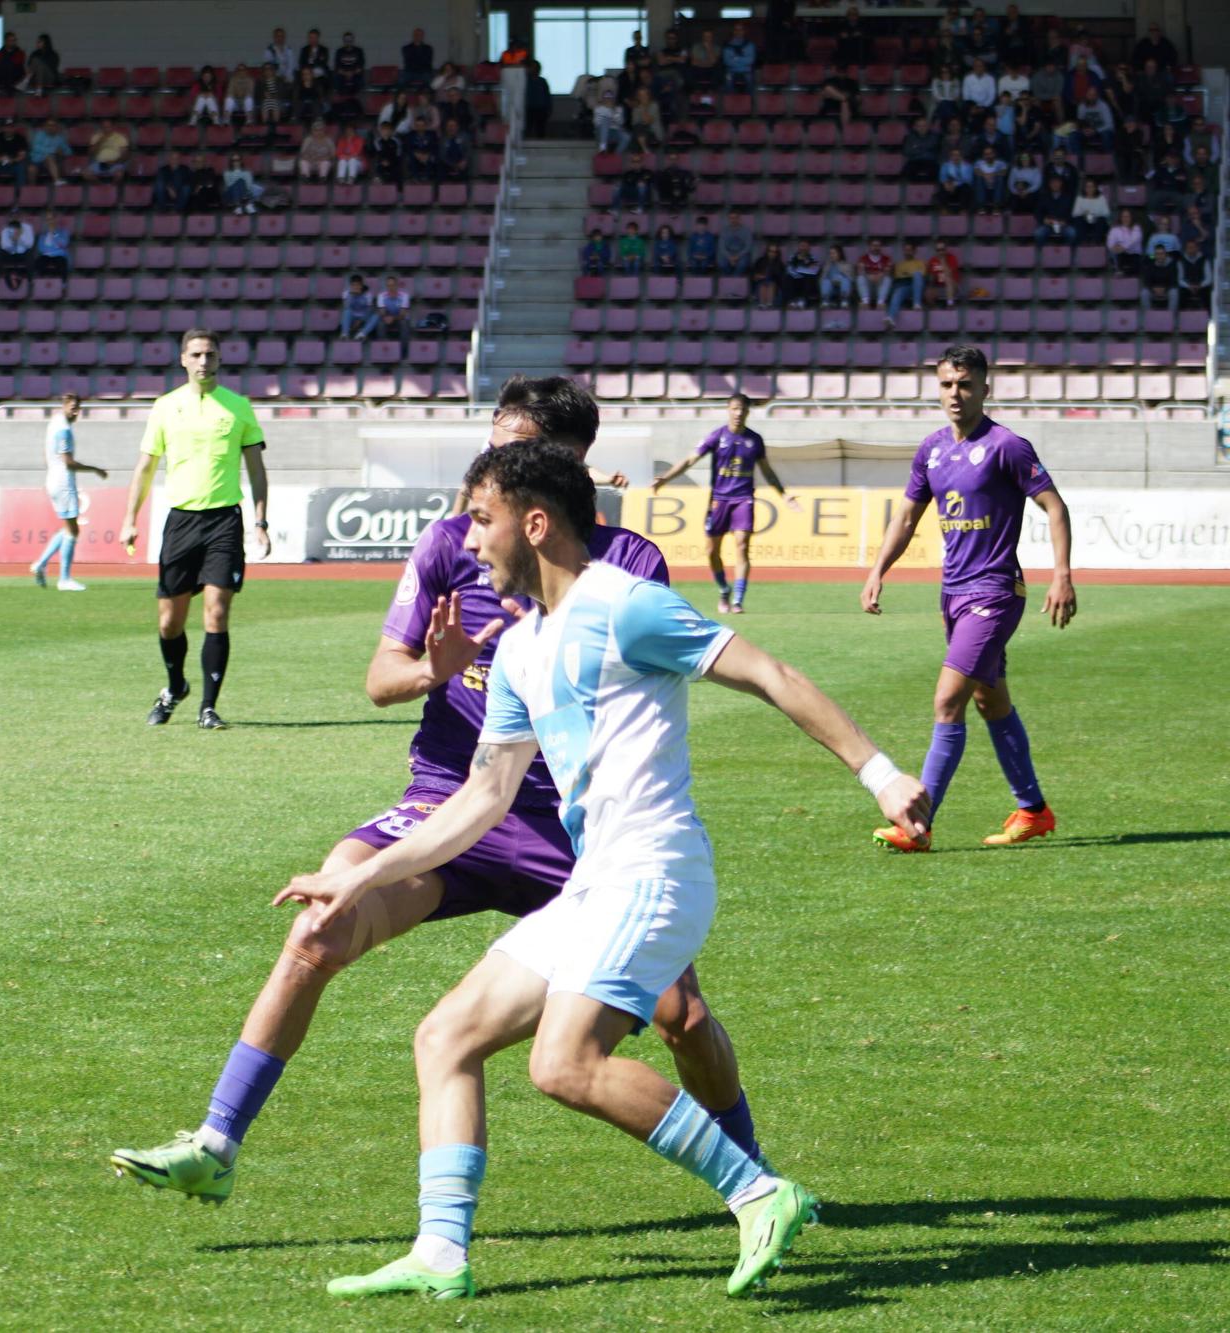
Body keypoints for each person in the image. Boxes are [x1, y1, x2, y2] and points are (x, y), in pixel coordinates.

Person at [289, 438, 928, 1302]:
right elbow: (478, 801)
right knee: (445, 1037)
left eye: (483, 521)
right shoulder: (516, 649)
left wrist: (882, 775)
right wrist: (357, 878)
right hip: (596, 883)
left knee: (563, 1063)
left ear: (537, 522)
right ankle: (441, 1253)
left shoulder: (627, 606)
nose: (468, 542)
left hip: (657, 869)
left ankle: (759, 1191)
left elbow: (769, 672)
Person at [111, 379, 765, 1216]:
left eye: (514, 445)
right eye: (490, 442)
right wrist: (437, 668)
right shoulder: (452, 542)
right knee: (318, 928)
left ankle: (755, 1172)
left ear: (567, 463)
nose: (488, 465)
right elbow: (382, 678)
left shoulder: (628, 563)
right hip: (451, 808)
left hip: (583, 835)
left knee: (682, 1014)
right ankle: (217, 1142)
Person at [861, 346, 1073, 854]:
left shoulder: (1007, 447)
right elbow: (908, 518)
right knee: (988, 699)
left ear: (984, 387)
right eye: (947, 385)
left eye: (965, 384)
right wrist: (877, 570)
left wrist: (1061, 575)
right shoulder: (931, 449)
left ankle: (918, 824)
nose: (955, 394)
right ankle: (1034, 811)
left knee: (947, 700)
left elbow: (1055, 506)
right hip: (953, 593)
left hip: (995, 593)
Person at [118, 330, 270, 730]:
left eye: (211, 354)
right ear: (183, 359)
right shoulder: (166, 407)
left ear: (220, 360)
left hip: (224, 521)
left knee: (216, 614)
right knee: (169, 622)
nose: (204, 361)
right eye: (197, 354)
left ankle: (208, 707)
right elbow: (146, 466)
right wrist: (130, 518)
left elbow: (256, 469)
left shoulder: (238, 407)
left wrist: (261, 520)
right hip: (181, 521)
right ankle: (175, 687)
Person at [29, 394, 107, 591]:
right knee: (73, 530)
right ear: (64, 406)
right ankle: (64, 579)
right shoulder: (63, 430)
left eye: (78, 408)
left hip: (53, 479)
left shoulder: (55, 422)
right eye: (72, 407)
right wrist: (95, 470)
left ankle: (41, 564)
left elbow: (48, 455)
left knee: (67, 529)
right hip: (63, 482)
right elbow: (68, 462)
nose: (76, 411)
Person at [0, 117, 31, 187]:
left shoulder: (20, 138)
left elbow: (22, 155)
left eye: (11, 127)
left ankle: (21, 192)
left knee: (21, 166)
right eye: (6, 127)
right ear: (2, 128)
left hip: (14, 164)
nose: (9, 129)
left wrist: (13, 160)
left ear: (14, 128)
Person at [30, 116, 70, 184]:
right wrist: (53, 150)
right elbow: (36, 147)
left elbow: (69, 152)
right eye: (48, 125)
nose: (50, 127)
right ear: (45, 127)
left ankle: (57, 181)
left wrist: (62, 152)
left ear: (56, 127)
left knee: (49, 157)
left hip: (53, 162)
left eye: (53, 125)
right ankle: (31, 189)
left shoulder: (60, 138)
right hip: (37, 161)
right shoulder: (40, 135)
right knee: (31, 169)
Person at [856, 239, 893, 309]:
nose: (876, 248)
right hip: (868, 288)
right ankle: (865, 301)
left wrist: (880, 275)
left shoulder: (886, 259)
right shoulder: (863, 258)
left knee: (887, 278)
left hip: (880, 288)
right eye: (874, 245)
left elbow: (888, 271)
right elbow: (859, 271)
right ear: (869, 246)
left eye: (878, 246)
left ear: (881, 247)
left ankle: (881, 302)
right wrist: (869, 276)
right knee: (860, 277)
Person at [339, 274, 378, 339]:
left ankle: (362, 334)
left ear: (361, 285)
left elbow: (369, 310)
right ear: (350, 285)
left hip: (364, 316)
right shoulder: (346, 294)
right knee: (347, 311)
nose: (355, 287)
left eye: (357, 285)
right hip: (352, 316)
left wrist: (360, 321)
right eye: (353, 285)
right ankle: (345, 334)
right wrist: (352, 295)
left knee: (376, 316)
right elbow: (346, 307)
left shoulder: (368, 294)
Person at [34, 211, 72, 277]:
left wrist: (54, 234)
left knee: (62, 264)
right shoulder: (43, 235)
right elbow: (40, 249)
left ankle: (63, 284)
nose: (50, 221)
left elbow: (64, 244)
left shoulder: (63, 232)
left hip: (59, 256)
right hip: (46, 256)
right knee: (38, 263)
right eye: (48, 220)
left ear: (56, 220)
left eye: (52, 219)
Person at [750, 241, 786, 308]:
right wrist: (757, 276)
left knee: (770, 284)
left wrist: (772, 274)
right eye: (770, 251)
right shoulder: (760, 261)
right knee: (763, 285)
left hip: (775, 289)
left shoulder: (780, 264)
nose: (772, 253)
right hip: (759, 285)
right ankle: (762, 304)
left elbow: (781, 280)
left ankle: (769, 304)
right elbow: (753, 274)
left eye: (774, 252)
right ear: (767, 251)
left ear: (777, 253)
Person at [718, 212, 754, 276]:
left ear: (739, 219)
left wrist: (738, 256)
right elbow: (721, 247)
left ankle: (735, 278)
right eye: (731, 218)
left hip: (742, 254)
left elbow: (748, 246)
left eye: (735, 218)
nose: (733, 220)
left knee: (742, 264)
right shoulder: (724, 231)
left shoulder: (746, 230)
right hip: (728, 253)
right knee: (722, 263)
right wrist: (729, 257)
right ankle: (728, 277)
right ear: (729, 219)